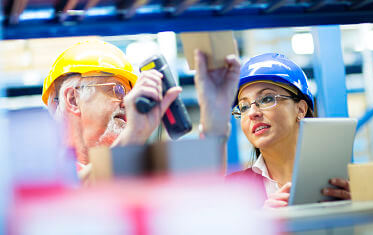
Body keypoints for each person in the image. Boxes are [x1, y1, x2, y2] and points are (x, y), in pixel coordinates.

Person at [42, 39, 240, 179]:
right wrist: (133, 135)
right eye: (117, 89)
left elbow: (201, 190)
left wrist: (215, 120)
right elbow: (75, 196)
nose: (127, 102)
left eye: (131, 92)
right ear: (73, 99)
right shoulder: (43, 174)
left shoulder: (139, 169)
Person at [225, 53, 351, 208]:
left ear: (300, 109)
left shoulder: (344, 182)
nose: (252, 113)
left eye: (267, 99)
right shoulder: (231, 189)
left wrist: (357, 212)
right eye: (244, 107)